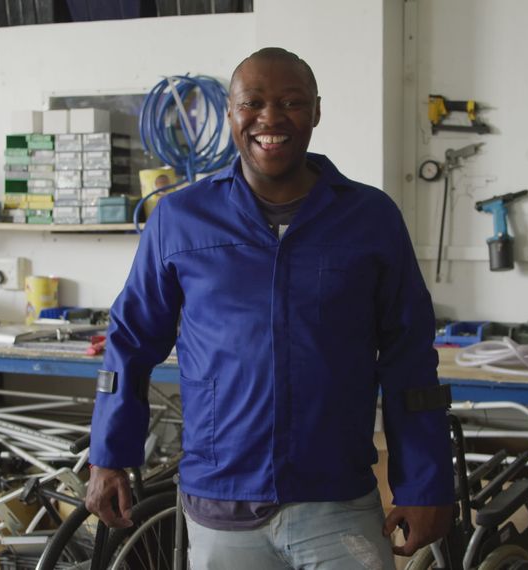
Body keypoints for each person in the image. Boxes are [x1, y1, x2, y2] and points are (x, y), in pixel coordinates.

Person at [87, 47, 453, 569]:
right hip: (221, 502)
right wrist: (108, 455)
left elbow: (410, 360)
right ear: (232, 112)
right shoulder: (180, 220)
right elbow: (129, 343)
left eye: (291, 102)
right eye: (252, 102)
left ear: (317, 111)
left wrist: (425, 483)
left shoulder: (370, 219)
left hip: (337, 501)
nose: (271, 118)